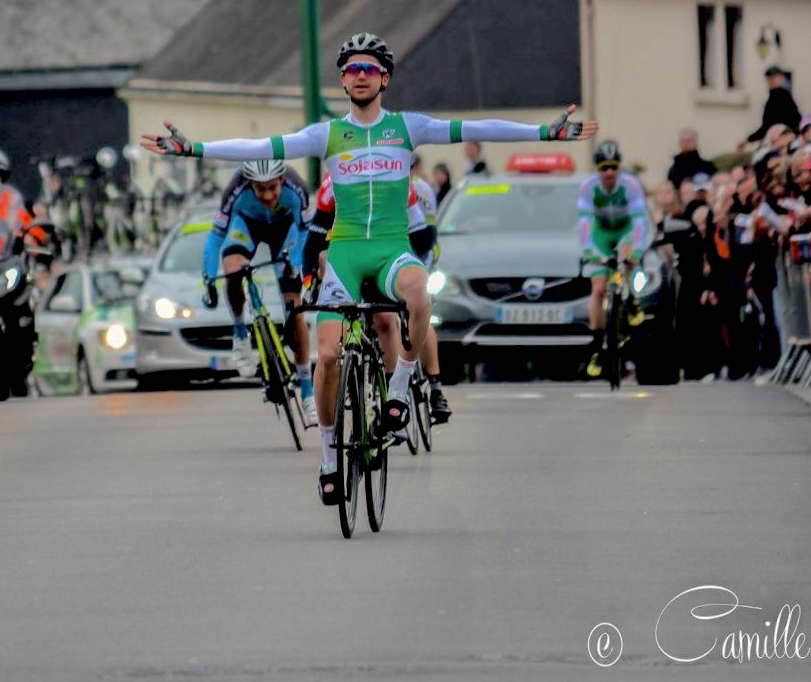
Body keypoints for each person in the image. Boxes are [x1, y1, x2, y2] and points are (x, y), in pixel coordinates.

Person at [143, 31, 596, 504]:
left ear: (385, 78)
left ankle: (400, 387)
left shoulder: (408, 127)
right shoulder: (326, 134)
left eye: (370, 69)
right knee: (330, 358)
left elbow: (476, 127)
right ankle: (327, 456)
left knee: (420, 293)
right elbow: (259, 144)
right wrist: (191, 149)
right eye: (353, 69)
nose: (361, 76)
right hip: (344, 253)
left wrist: (544, 133)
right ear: (343, 80)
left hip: (391, 249)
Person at [303, 168, 452, 424]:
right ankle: (351, 372)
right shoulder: (332, 187)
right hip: (349, 265)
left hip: (393, 258)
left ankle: (412, 389)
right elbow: (313, 244)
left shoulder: (406, 186)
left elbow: (425, 239)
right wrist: (310, 281)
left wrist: (413, 277)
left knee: (391, 317)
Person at [200, 159, 314, 419]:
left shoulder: (297, 188)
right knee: (233, 270)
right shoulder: (235, 188)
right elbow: (216, 235)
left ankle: (307, 391)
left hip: (286, 233)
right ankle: (240, 332)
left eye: (272, 188)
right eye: (259, 189)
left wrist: (299, 269)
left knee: (295, 308)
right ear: (249, 183)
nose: (267, 196)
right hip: (247, 228)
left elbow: (306, 233)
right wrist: (208, 277)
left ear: (282, 181)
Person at [576, 139, 650, 379]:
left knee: (627, 255)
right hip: (601, 234)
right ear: (597, 170)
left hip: (624, 231)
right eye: (604, 168)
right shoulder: (588, 188)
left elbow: (639, 223)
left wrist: (636, 252)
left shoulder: (631, 186)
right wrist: (590, 252)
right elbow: (584, 225)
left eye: (613, 167)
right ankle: (597, 344)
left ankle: (631, 297)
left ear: (619, 168)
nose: (609, 173)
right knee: (598, 290)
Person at [748, 66, 800, 142]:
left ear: (782, 78)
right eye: (769, 78)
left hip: (783, 142)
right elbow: (766, 127)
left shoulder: (782, 97)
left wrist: (748, 139)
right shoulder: (774, 98)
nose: (770, 81)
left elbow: (768, 127)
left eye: (773, 77)